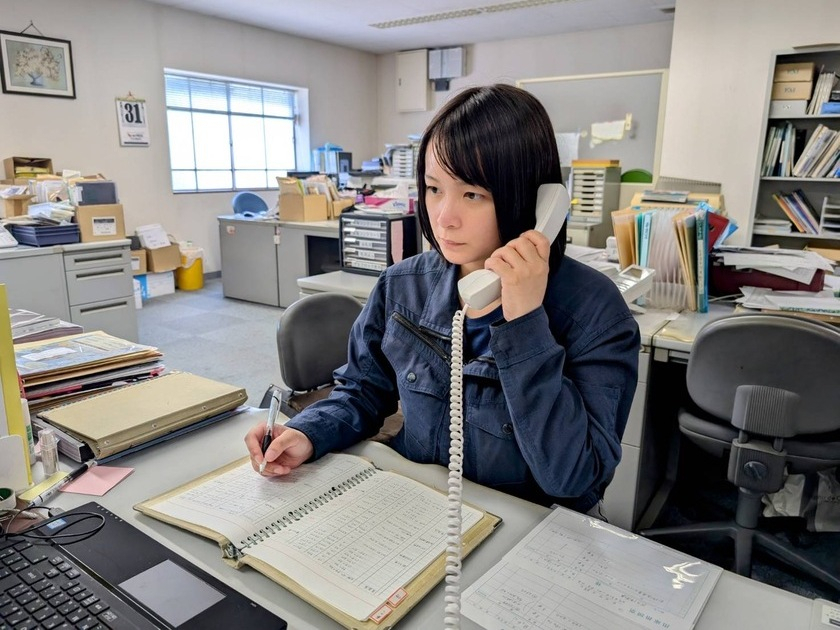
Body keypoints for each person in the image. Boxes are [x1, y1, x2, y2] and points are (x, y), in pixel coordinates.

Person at [246, 83, 640, 515]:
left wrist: (524, 323)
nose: (444, 217)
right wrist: (308, 432)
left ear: (533, 200)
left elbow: (575, 479)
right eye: (434, 189)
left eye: (472, 194)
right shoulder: (402, 287)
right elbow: (361, 391)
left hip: (527, 528)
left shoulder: (595, 312)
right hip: (418, 509)